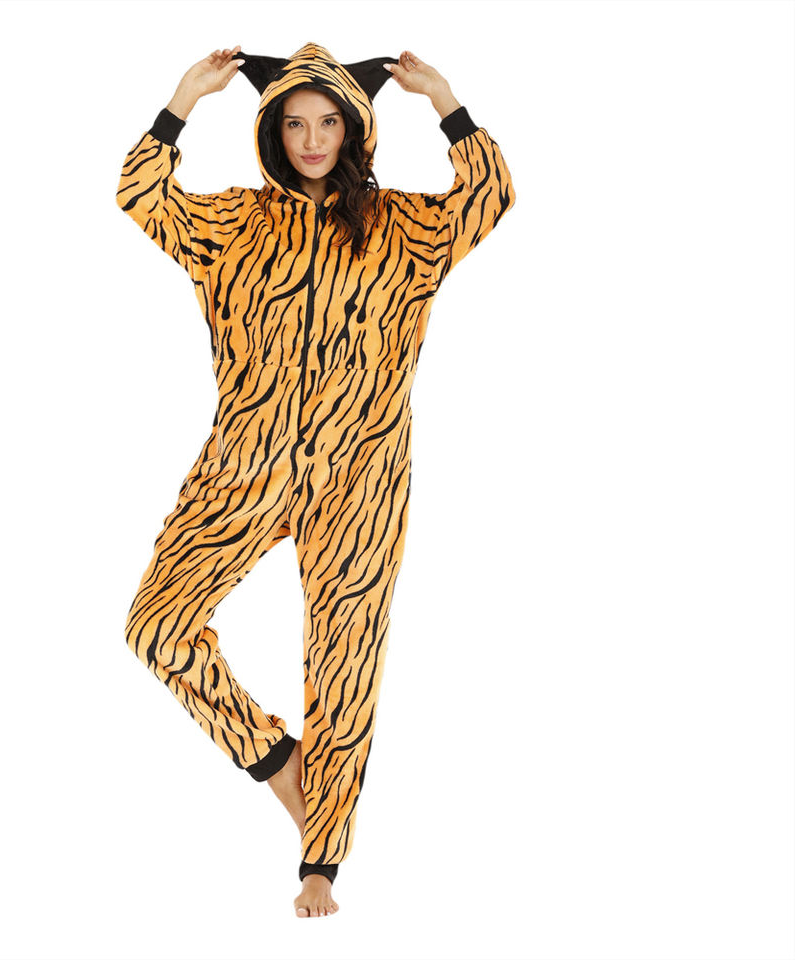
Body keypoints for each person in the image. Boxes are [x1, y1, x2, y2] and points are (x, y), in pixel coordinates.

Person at [118, 41, 516, 918]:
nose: (310, 140)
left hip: (361, 474)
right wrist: (185, 99)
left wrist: (444, 100)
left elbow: (491, 195)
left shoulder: (404, 229)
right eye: (295, 123)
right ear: (272, 129)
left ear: (353, 130)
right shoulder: (233, 224)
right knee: (156, 628)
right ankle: (279, 764)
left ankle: (321, 863)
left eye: (328, 122)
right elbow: (140, 194)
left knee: (344, 660)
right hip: (245, 465)